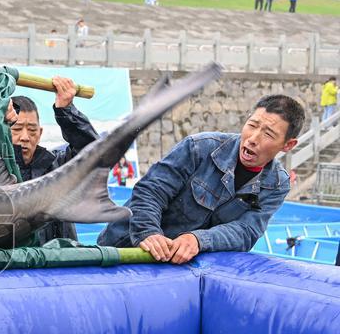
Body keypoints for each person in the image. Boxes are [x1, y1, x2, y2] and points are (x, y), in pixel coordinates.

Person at [98, 95, 304, 264]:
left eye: (268, 134)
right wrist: (148, 233)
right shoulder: (199, 148)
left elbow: (246, 231)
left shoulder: (277, 184)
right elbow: (151, 190)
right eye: (252, 125)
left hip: (180, 266)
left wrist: (198, 240)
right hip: (124, 248)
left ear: (288, 145)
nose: (253, 138)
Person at [4, 78, 99, 244]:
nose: (25, 137)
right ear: (3, 130)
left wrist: (66, 111)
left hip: (58, 259)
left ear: (40, 133)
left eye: (32, 130)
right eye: (17, 129)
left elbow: (93, 154)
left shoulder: (58, 168)